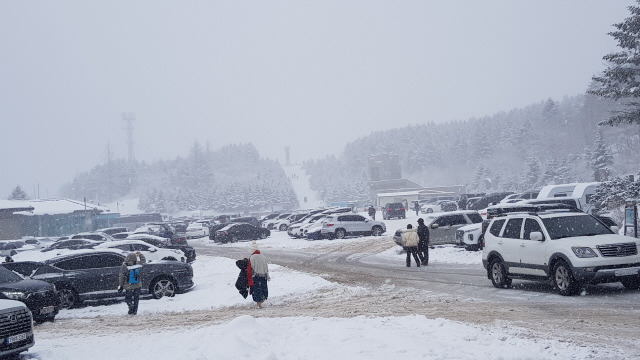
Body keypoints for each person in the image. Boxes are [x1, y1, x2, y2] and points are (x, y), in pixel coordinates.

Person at [247, 241, 270, 308]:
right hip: (264, 276)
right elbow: (266, 266)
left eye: (251, 249)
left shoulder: (252, 258)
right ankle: (262, 300)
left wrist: (249, 279)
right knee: (263, 289)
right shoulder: (263, 256)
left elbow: (249, 269)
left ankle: (259, 304)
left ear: (253, 250)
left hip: (256, 277)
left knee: (257, 291)